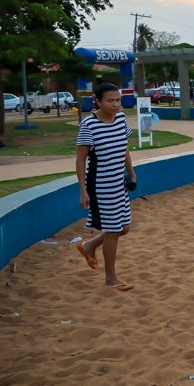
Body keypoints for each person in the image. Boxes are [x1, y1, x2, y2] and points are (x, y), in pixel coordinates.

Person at [74, 83, 136, 291]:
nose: (116, 104)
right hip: (100, 185)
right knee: (113, 231)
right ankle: (111, 279)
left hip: (119, 183)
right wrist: (83, 190)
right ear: (98, 101)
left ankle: (89, 246)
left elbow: (123, 148)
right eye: (110, 100)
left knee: (124, 228)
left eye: (118, 100)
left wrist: (131, 172)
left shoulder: (120, 119)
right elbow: (81, 159)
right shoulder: (89, 125)